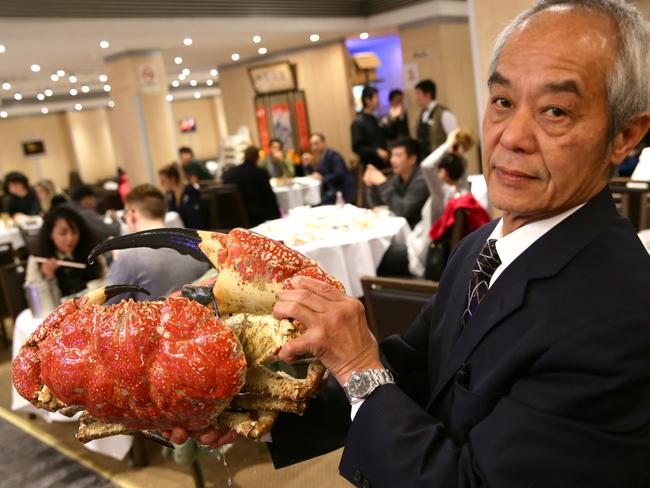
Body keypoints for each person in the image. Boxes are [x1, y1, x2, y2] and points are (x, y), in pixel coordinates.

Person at [169, 1, 650, 486]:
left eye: (555, 111)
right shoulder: (483, 244)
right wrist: (260, 413)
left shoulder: (619, 314)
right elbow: (420, 368)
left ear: (625, 135)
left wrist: (359, 362)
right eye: (502, 101)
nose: (512, 137)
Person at [105, 184, 210, 303]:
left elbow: (106, 306)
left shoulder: (128, 256)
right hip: (205, 316)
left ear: (132, 214)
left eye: (125, 217)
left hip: (159, 320)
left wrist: (117, 261)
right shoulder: (195, 244)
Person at [406, 128, 475, 278]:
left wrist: (447, 144)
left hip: (427, 255)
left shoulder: (441, 193)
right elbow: (461, 169)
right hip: (446, 255)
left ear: (442, 172)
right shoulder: (464, 194)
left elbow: (427, 166)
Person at [36, 206, 103, 297]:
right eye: (63, 233)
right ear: (50, 234)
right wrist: (49, 277)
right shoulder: (38, 260)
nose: (70, 238)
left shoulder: (90, 252)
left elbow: (103, 281)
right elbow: (40, 300)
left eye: (74, 232)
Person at [364, 137, 429, 228]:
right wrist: (372, 186)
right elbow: (378, 206)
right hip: (404, 228)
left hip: (420, 232)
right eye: (392, 155)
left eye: (398, 156)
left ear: (412, 159)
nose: (392, 160)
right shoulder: (398, 177)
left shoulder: (422, 179)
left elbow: (402, 210)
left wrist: (383, 184)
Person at [222, 146, 281, 226]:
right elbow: (269, 197)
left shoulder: (230, 173)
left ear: (245, 156)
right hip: (257, 217)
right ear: (257, 157)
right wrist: (278, 219)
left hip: (235, 216)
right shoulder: (260, 173)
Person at [351, 86, 391, 170]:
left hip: (384, 163)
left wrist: (392, 119)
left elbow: (389, 135)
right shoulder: (358, 122)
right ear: (367, 100)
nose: (378, 101)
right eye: (376, 97)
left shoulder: (376, 118)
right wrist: (376, 151)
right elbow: (357, 147)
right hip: (371, 166)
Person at [308, 133, 355, 204]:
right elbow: (317, 173)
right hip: (330, 190)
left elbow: (340, 174)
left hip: (340, 191)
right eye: (312, 145)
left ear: (324, 142)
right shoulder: (320, 157)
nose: (314, 147)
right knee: (312, 200)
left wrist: (323, 178)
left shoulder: (333, 155)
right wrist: (307, 165)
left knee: (315, 202)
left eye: (316, 143)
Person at [415, 79, 458, 156]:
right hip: (425, 161)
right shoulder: (421, 116)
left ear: (428, 94)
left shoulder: (444, 114)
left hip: (442, 161)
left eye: (418, 94)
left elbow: (455, 139)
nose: (416, 98)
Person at [158, 163, 207, 229]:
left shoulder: (190, 192)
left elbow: (196, 220)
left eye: (163, 181)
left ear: (173, 178)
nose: (161, 184)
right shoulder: (170, 196)